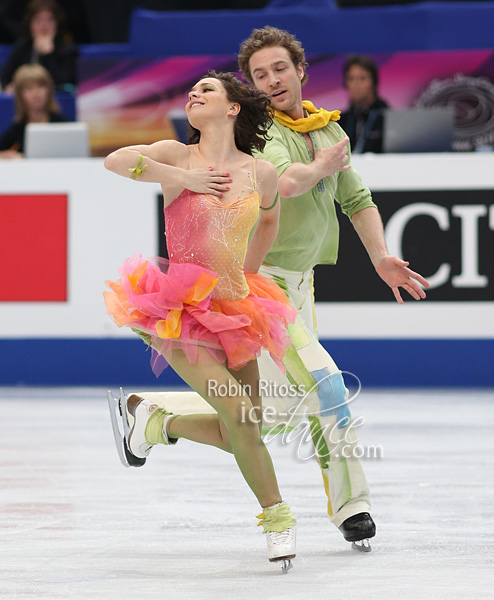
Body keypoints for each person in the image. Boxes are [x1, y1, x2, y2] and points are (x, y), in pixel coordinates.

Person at [113, 26, 430, 554]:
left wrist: (379, 256)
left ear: (301, 70)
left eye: (279, 68)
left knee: (266, 418)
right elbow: (281, 183)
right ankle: (352, 509)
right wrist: (249, 275)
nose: (271, 79)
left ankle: (155, 420)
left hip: (291, 285)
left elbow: (355, 198)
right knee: (326, 389)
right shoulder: (260, 137)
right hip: (268, 286)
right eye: (259, 75)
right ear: (251, 90)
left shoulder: (328, 132)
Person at [104, 71, 298, 572]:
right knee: (239, 416)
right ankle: (278, 520)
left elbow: (271, 219)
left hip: (237, 306)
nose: (194, 93)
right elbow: (115, 160)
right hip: (179, 310)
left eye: (207, 90)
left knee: (248, 425)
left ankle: (155, 422)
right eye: (192, 90)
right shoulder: (176, 154)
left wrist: (248, 273)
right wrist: (182, 180)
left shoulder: (261, 172)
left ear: (233, 108)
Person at [1, 0, 77, 92]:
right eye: (38, 20)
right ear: (30, 23)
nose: (44, 25)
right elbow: (6, 80)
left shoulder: (68, 49)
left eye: (49, 19)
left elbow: (64, 85)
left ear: (57, 23)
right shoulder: (22, 46)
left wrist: (49, 55)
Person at [0, 63, 69, 158]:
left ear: (49, 89)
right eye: (29, 88)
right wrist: (6, 156)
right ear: (20, 95)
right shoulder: (15, 133)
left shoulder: (66, 126)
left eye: (41, 86)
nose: (36, 93)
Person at [339, 54, 389, 153]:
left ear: (373, 82)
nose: (356, 84)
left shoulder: (387, 117)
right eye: (351, 79)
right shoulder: (340, 121)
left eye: (362, 78)